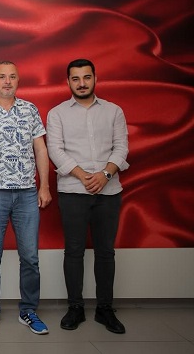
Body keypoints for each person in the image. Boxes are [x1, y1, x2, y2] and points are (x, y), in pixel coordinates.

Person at [46, 58, 129, 334]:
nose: (81, 83)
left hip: (109, 191)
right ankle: (75, 308)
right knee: (74, 251)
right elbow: (56, 150)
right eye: (75, 78)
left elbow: (121, 147)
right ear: (68, 82)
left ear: (95, 78)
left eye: (86, 77)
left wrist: (105, 174)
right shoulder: (57, 113)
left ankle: (105, 309)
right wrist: (83, 176)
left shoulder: (114, 111)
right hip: (73, 192)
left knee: (106, 252)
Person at [0, 61, 52, 335]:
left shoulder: (30, 110)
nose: (7, 81)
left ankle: (28, 310)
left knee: (30, 257)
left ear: (18, 80)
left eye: (12, 77)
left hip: (27, 193)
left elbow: (40, 149)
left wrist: (44, 186)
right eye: (2, 77)